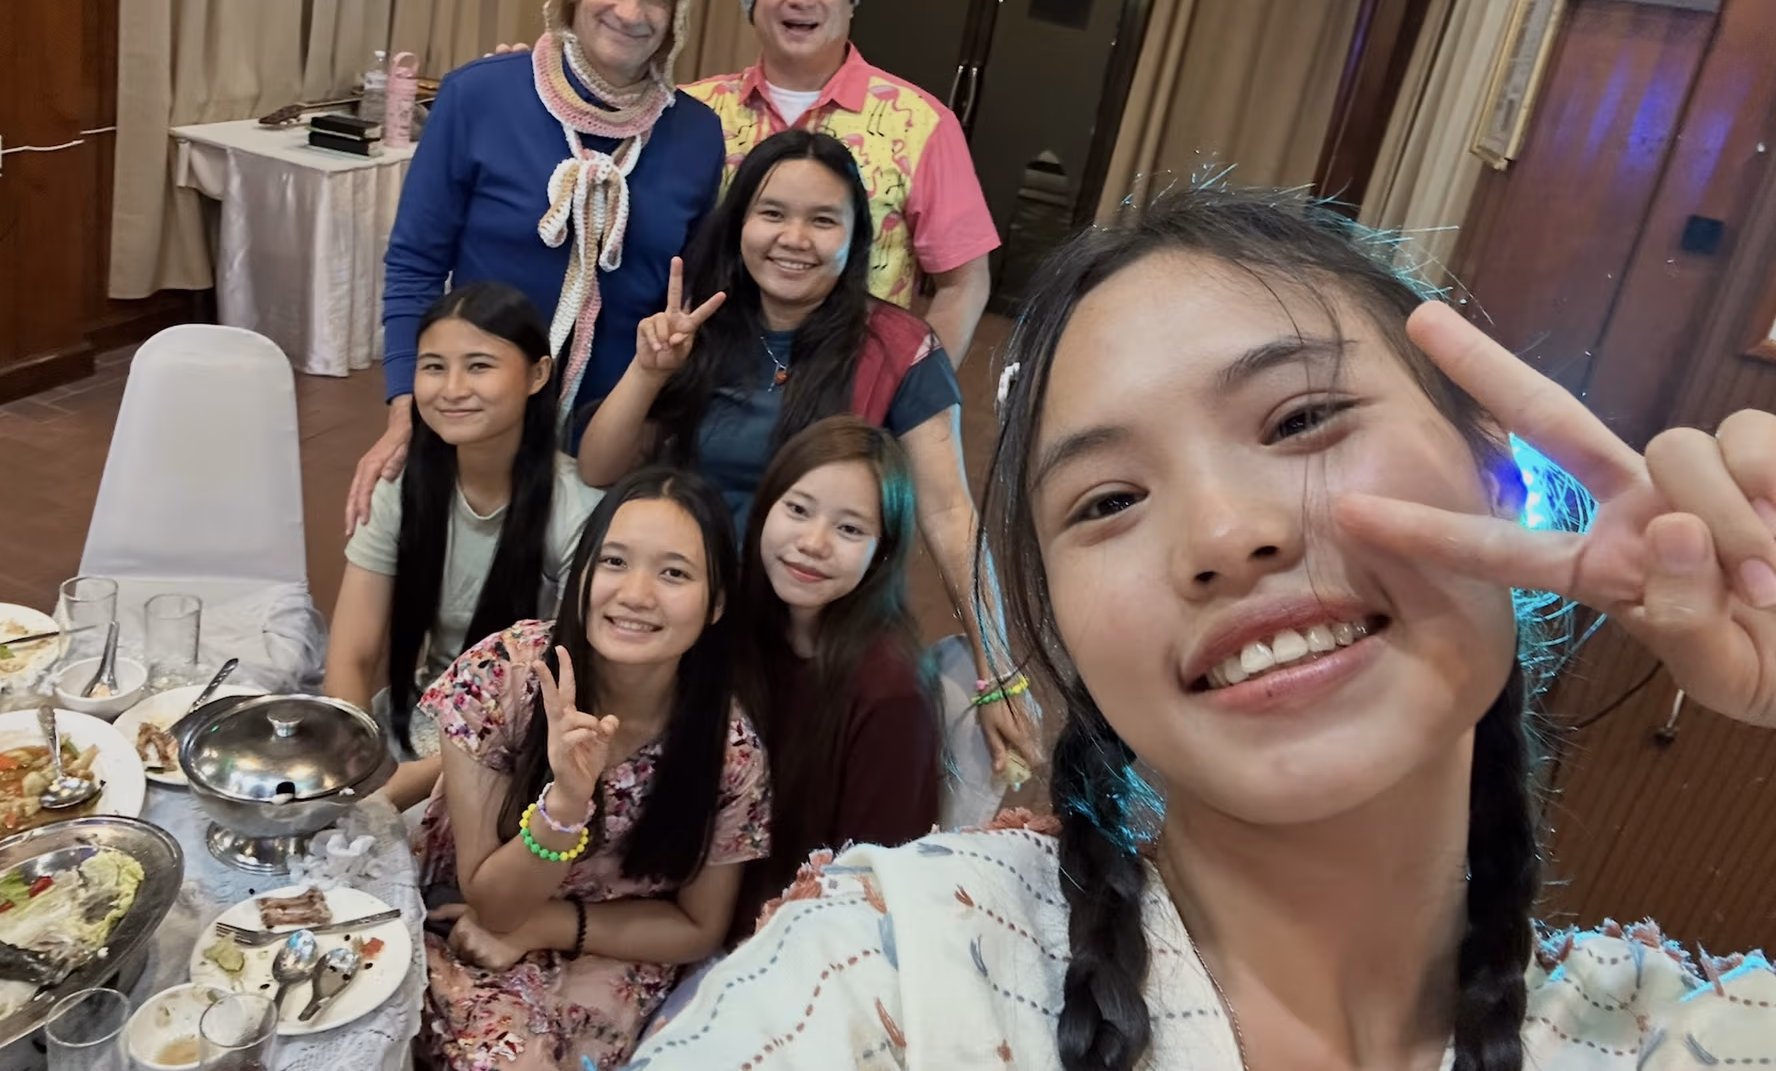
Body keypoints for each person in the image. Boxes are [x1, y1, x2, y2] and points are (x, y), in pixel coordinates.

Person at [633, 186, 1776, 1068]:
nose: (1225, 533)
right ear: (1068, 640)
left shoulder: (1675, 1034)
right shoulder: (883, 983)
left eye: (1304, 416)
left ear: (1496, 468)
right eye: (1109, 500)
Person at [577, 129, 1035, 773]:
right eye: (772, 214)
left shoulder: (900, 349)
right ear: (740, 223)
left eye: (823, 220)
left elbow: (949, 515)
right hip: (691, 621)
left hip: (818, 629)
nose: (794, 239)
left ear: (854, 239)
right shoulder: (699, 328)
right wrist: (650, 372)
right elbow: (599, 469)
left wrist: (999, 671)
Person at [347, 0, 725, 536]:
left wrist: (657, 425)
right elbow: (415, 263)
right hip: (471, 416)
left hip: (612, 437)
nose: (631, 11)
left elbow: (689, 302)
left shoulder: (695, 136)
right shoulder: (479, 95)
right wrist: (406, 404)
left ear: (677, 16)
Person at [416, 467, 771, 1070]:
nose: (635, 593)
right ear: (581, 576)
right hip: (471, 918)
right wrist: (564, 807)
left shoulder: (728, 752)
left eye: (674, 573)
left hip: (612, 943)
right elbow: (493, 905)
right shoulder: (502, 674)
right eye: (613, 562)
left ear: (715, 604)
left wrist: (546, 926)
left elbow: (698, 927)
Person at [683, 0, 999, 367]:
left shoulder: (919, 123)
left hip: (846, 406)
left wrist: (913, 394)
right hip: (704, 389)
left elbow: (964, 280)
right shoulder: (692, 113)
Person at [326, 282, 603, 809]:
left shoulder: (579, 508)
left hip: (525, 747)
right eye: (433, 367)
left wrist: (400, 791)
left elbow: (571, 695)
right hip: (417, 719)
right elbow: (352, 656)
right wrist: (351, 768)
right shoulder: (399, 488)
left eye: (479, 366)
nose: (451, 389)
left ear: (538, 375)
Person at [729, 415, 939, 941]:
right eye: (798, 510)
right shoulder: (733, 621)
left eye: (850, 528)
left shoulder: (890, 692)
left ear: (882, 551)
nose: (813, 542)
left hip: (797, 947)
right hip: (701, 912)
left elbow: (868, 889)